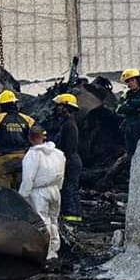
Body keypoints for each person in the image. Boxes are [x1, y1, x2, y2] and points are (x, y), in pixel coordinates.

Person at [18, 126, 65, 261]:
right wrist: (58, 188)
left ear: (30, 138)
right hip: (55, 190)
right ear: (44, 137)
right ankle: (54, 250)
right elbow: (62, 173)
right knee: (53, 220)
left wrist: (22, 196)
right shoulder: (58, 153)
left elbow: (28, 178)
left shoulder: (32, 155)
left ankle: (46, 252)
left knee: (42, 221)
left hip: (39, 192)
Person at [0, 90, 35, 190]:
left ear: (2, 105)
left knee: (3, 191)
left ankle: (5, 204)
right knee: (23, 190)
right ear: (15, 104)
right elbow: (41, 134)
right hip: (23, 159)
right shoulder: (27, 119)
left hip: (4, 158)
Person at [51, 93, 82, 223]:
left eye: (59, 106)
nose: (57, 109)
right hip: (70, 160)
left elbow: (67, 147)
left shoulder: (68, 125)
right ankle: (73, 216)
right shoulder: (67, 123)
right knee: (69, 189)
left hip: (70, 161)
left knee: (69, 189)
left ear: (66, 107)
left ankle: (71, 218)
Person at [116, 69, 140, 156]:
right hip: (129, 126)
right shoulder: (126, 94)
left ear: (138, 80)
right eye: (128, 81)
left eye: (132, 80)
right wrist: (136, 107)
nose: (130, 83)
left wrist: (130, 105)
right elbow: (118, 109)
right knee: (130, 152)